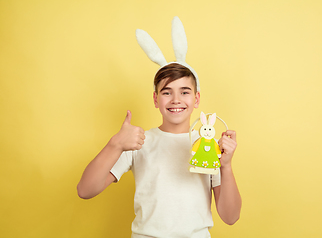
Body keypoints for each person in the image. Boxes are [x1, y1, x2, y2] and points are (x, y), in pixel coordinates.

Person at [77, 62, 242, 238]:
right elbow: (85, 190)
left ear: (197, 99)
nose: (176, 99)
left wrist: (226, 166)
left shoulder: (209, 148)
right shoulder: (138, 142)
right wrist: (115, 144)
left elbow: (230, 217)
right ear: (156, 99)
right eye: (166, 92)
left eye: (184, 92)